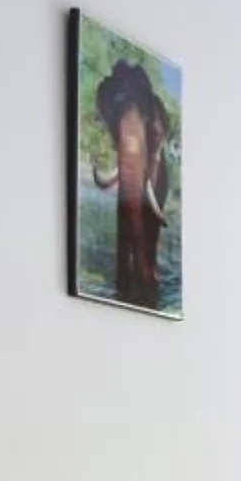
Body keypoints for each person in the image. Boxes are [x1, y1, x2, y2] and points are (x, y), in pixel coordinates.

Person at [93, 60, 173, 310]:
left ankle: (147, 282)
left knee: (146, 243)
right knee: (125, 237)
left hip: (150, 178)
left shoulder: (155, 120)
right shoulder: (126, 111)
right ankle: (126, 285)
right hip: (130, 173)